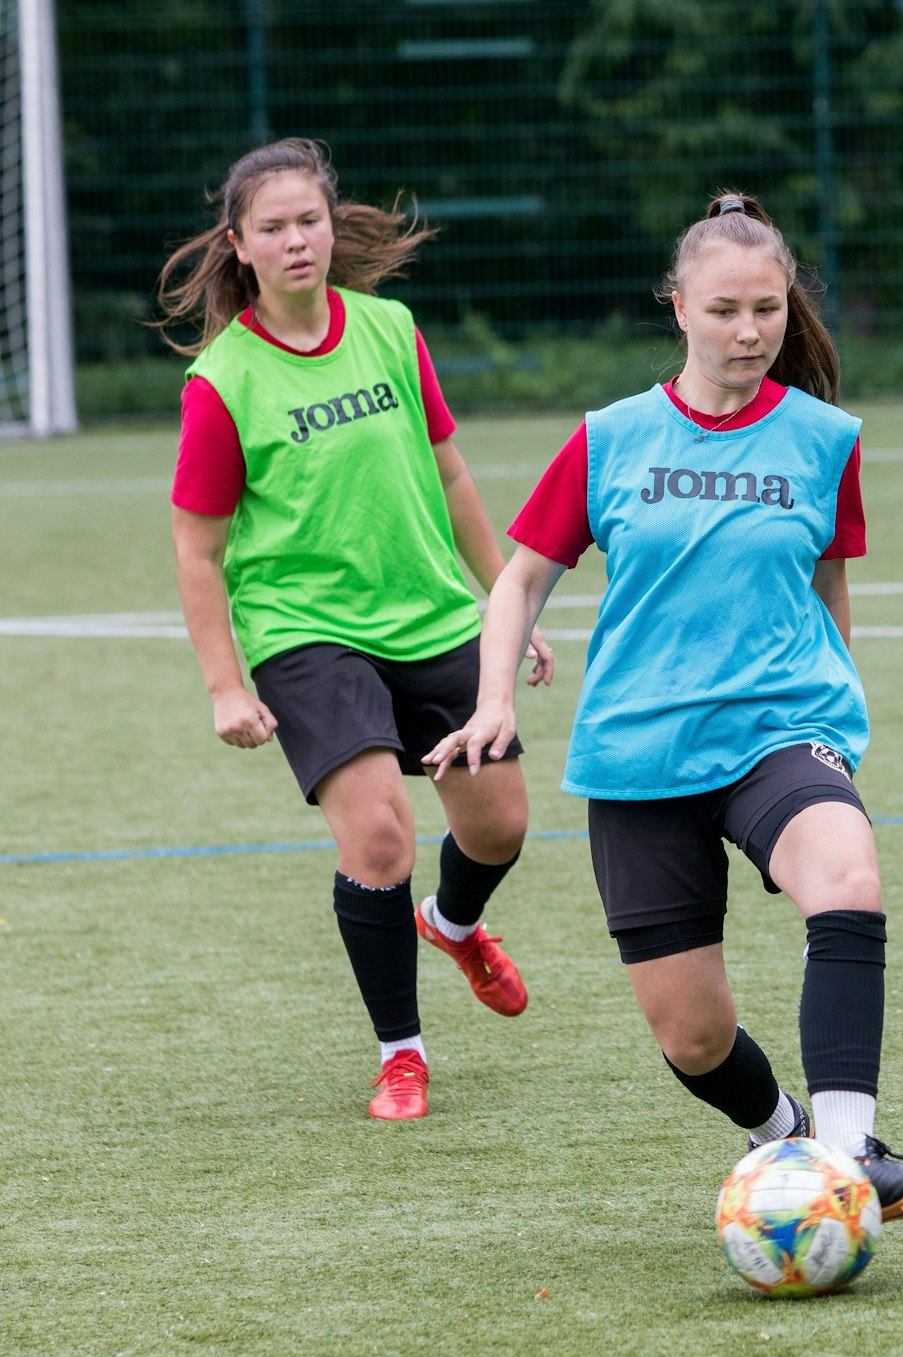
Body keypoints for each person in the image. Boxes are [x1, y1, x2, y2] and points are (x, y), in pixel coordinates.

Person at [426, 192, 903, 1222]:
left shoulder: (823, 438)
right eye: (724, 309)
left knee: (848, 877)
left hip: (779, 729)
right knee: (694, 1039)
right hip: (638, 752)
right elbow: (520, 579)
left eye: (766, 308)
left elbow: (828, 582)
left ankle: (848, 1164)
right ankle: (789, 1142)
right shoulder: (609, 438)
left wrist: (836, 725)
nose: (749, 331)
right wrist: (494, 699)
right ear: (677, 307)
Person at [160, 138, 553, 1122]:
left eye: (310, 221)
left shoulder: (389, 328)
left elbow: (453, 473)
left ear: (333, 227)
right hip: (304, 631)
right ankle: (402, 1055)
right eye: (273, 228)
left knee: (499, 823)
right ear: (239, 246)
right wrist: (224, 683)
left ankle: (453, 923)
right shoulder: (222, 381)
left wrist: (505, 597)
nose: (297, 241)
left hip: (429, 611)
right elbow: (197, 552)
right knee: (380, 835)